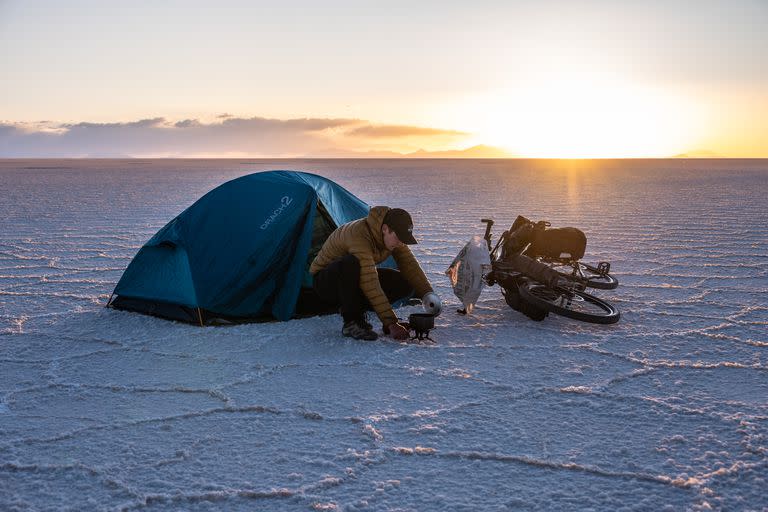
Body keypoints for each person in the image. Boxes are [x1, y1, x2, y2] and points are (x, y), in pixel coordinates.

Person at [310, 206, 442, 341]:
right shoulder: (359, 235)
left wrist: (428, 295)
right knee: (351, 263)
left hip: (351, 281)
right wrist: (391, 323)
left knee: (403, 282)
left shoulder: (393, 235)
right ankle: (352, 322)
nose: (400, 243)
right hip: (326, 284)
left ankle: (357, 308)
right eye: (398, 238)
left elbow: (410, 266)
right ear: (385, 229)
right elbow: (370, 281)